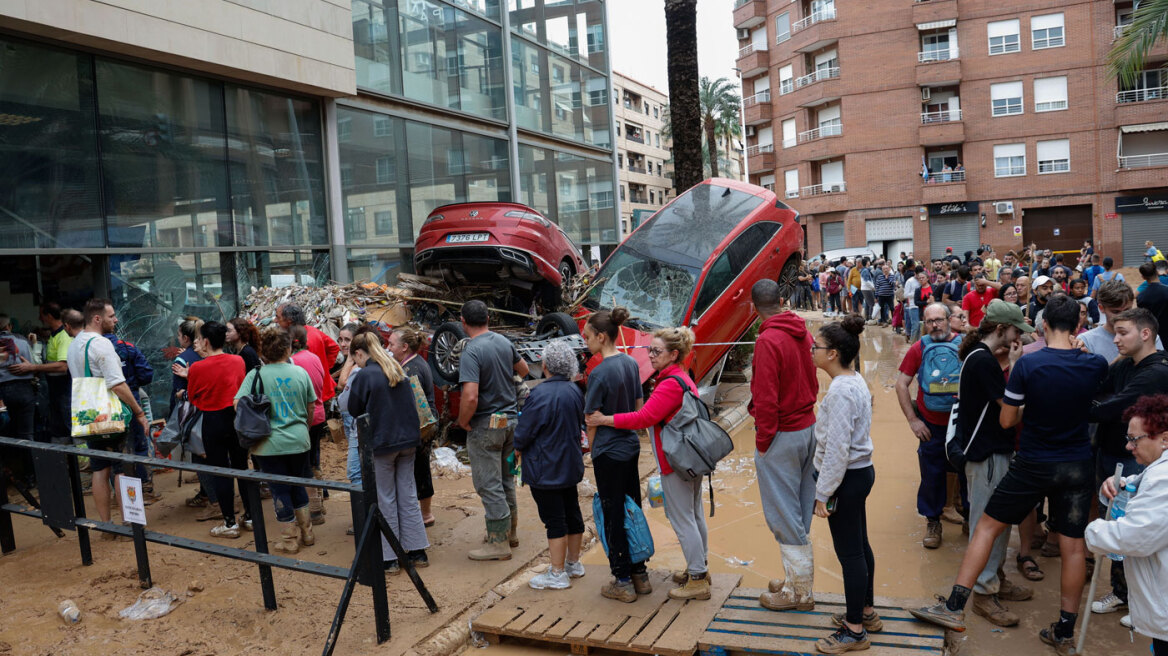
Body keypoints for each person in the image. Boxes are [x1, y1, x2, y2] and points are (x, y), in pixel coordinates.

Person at [911, 295, 1107, 652]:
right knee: (1074, 548)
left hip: (1033, 461)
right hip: (1077, 464)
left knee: (986, 526)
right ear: (1079, 326)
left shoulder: (1028, 367)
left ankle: (955, 606)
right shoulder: (1094, 364)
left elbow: (1006, 419)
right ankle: (1064, 632)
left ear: (1044, 325)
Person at [587, 327, 711, 601]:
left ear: (674, 354)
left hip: (675, 462)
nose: (651, 356)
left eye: (656, 351)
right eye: (649, 350)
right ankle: (699, 569)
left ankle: (698, 578)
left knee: (682, 519)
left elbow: (644, 417)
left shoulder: (669, 384)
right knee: (694, 514)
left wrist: (604, 419)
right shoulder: (682, 378)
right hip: (691, 458)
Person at [954, 301, 1035, 628]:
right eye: (1017, 331)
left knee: (997, 521)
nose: (1020, 337)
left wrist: (1013, 362)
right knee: (987, 523)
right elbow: (1009, 412)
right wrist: (1017, 368)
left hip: (991, 451)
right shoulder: (984, 362)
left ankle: (996, 577)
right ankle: (985, 593)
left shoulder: (980, 357)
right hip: (986, 454)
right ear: (1001, 329)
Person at [1086, 309, 1168, 622]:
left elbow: (1113, 407)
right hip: (1112, 451)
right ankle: (1128, 594)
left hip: (1136, 458)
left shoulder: (1156, 372)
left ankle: (1131, 597)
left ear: (1145, 334)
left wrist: (1078, 406)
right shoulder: (1128, 364)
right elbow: (1101, 386)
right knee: (1119, 514)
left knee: (1133, 525)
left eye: (1122, 333)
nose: (1115, 339)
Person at [748, 279, 820, 612]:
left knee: (783, 513)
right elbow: (814, 378)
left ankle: (800, 593)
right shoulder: (801, 331)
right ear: (781, 300)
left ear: (754, 308)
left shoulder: (767, 340)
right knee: (800, 508)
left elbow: (765, 399)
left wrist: (763, 442)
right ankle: (795, 579)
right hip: (808, 427)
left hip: (782, 434)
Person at [809, 315, 879, 654]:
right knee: (860, 544)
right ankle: (866, 611)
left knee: (849, 553)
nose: (812, 351)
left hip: (846, 478)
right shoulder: (856, 380)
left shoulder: (839, 392)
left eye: (816, 346)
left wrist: (823, 493)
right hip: (860, 472)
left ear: (833, 353)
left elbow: (837, 449)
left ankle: (854, 632)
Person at [1084, 395, 1168, 656]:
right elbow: (1144, 483)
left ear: (1164, 439)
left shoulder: (1163, 479)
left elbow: (1134, 538)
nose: (1128, 446)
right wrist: (1123, 483)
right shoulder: (1157, 470)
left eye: (1135, 439)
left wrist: (1092, 530)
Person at [65, 299, 149, 533]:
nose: (116, 320)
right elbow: (117, 384)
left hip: (89, 415)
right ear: (97, 319)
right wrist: (139, 412)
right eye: (112, 316)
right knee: (122, 467)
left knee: (99, 467)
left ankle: (106, 525)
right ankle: (129, 523)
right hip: (111, 415)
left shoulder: (75, 344)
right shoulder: (101, 344)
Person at [582, 308, 649, 600]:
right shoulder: (631, 364)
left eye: (587, 336)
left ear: (601, 336)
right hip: (630, 446)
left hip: (608, 451)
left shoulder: (598, 372)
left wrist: (591, 451)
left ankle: (621, 580)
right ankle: (639, 573)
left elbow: (590, 418)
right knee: (632, 506)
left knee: (612, 513)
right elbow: (638, 404)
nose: (585, 342)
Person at [348, 331, 428, 572]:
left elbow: (353, 408)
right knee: (408, 494)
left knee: (386, 498)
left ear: (360, 353)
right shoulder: (396, 368)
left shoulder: (365, 375)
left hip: (383, 443)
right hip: (408, 441)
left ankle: (390, 557)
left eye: (355, 358)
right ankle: (417, 551)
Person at [457, 299, 530, 561]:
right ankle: (510, 533)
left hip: (486, 425)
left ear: (463, 322)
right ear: (488, 318)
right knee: (506, 479)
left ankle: (498, 543)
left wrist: (463, 421)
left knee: (488, 484)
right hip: (511, 423)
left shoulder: (471, 351)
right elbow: (523, 370)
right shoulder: (503, 341)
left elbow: (471, 396)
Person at [514, 340, 586, 591]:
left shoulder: (540, 394)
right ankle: (573, 563)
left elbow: (525, 432)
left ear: (545, 365)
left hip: (546, 466)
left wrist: (516, 445)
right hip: (569, 462)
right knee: (572, 513)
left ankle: (557, 573)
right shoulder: (574, 390)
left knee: (555, 520)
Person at [237, 328, 315, 554]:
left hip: (268, 443)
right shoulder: (300, 373)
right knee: (298, 483)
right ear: (288, 348)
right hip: (299, 440)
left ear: (263, 350)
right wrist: (303, 427)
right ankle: (307, 533)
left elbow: (238, 404)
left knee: (279, 489)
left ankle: (290, 540)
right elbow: (311, 406)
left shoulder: (256, 375)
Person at [895, 303, 966, 549]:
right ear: (924, 323)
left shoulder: (965, 344)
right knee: (931, 476)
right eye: (929, 321)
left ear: (949, 319)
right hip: (931, 426)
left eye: (939, 319)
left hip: (961, 426)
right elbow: (901, 383)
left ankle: (968, 518)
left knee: (967, 474)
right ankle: (933, 522)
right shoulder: (919, 347)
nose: (935, 325)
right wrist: (913, 421)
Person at [183, 321, 249, 538]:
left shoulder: (197, 368)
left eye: (200, 338)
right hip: (236, 418)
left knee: (221, 473)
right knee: (241, 468)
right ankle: (249, 516)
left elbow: (192, 396)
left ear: (207, 341)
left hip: (212, 421)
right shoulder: (238, 360)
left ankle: (229, 522)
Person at [389, 326, 437, 528]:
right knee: (420, 467)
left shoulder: (411, 369)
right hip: (424, 425)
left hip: (421, 426)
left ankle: (425, 514)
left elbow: (416, 405)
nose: (388, 348)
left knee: (419, 468)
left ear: (405, 347)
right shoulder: (413, 363)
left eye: (391, 344)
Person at [104, 326, 156, 502]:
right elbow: (146, 374)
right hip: (131, 399)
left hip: (103, 403)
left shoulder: (90, 349)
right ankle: (144, 489)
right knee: (139, 446)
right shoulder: (127, 347)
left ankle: (118, 495)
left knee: (112, 450)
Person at [8, 303, 72, 443]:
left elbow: (63, 366)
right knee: (58, 428)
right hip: (55, 390)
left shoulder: (63, 336)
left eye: (41, 315)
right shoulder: (54, 336)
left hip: (65, 389)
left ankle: (82, 461)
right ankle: (63, 461)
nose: (39, 318)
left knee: (68, 426)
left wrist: (32, 368)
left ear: (48, 316)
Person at [286, 325, 329, 526]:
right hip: (320, 414)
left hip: (306, 418)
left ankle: (314, 510)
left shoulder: (293, 363)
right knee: (313, 460)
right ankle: (319, 502)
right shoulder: (315, 358)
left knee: (304, 465)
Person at [1082, 281, 1163, 361]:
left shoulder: (1147, 336)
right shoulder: (1087, 341)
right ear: (1101, 308)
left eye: (1127, 310)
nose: (1122, 316)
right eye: (1116, 312)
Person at [276, 304, 338, 403]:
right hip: (321, 389)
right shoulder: (313, 330)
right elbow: (334, 347)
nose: (275, 320)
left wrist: (325, 368)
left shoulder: (297, 342)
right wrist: (324, 369)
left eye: (278, 317)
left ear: (289, 321)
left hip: (310, 397)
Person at [335, 324, 363, 495]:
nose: (343, 344)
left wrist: (350, 359)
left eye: (347, 340)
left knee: (355, 469)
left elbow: (342, 384)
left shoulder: (355, 363)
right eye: (340, 339)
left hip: (355, 420)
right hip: (349, 418)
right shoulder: (350, 361)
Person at [1137, 263, 1168, 346]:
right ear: (1157, 272)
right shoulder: (1166, 291)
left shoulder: (1141, 296)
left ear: (1143, 277)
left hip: (1152, 335)